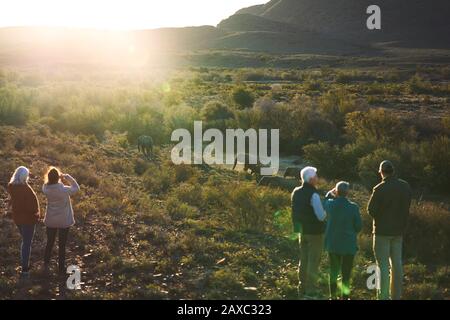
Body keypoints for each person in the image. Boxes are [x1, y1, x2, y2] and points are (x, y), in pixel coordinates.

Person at [367, 160, 412, 300]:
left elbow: (371, 210)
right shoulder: (405, 186)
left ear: (381, 172)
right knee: (397, 265)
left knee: (383, 266)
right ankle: (396, 296)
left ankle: (383, 296)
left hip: (382, 232)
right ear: (393, 171)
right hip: (398, 232)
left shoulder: (379, 188)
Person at [291, 166, 327, 299]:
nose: (317, 178)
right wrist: (326, 211)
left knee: (304, 259)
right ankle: (311, 291)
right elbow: (320, 216)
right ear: (311, 179)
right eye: (316, 176)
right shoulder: (314, 194)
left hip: (302, 231)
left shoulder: (296, 191)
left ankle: (302, 288)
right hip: (315, 233)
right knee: (313, 261)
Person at [324, 181, 362, 300]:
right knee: (346, 273)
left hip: (333, 243)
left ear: (336, 192)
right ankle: (345, 297)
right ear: (347, 192)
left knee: (333, 271)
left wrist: (330, 193)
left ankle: (332, 296)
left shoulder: (330, 204)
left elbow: (325, 199)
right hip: (348, 245)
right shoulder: (353, 207)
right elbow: (358, 227)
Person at [42, 167, 80, 274]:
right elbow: (76, 188)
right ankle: (61, 267)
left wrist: (54, 178)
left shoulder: (46, 189)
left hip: (51, 220)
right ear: (58, 177)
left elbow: (44, 184)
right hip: (64, 220)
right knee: (62, 245)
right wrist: (67, 177)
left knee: (50, 242)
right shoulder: (64, 190)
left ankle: (46, 263)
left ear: (48, 177)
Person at [6, 166, 41, 278]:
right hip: (28, 219)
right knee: (26, 243)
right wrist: (36, 214)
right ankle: (25, 269)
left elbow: (12, 201)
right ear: (25, 176)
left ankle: (24, 263)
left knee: (25, 241)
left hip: (18, 219)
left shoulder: (11, 187)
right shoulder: (26, 188)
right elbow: (32, 207)